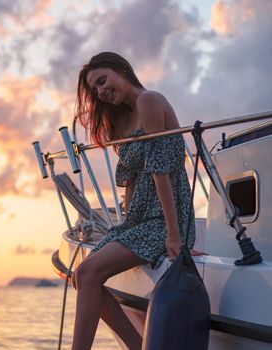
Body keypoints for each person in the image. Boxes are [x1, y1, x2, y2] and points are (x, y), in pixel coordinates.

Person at [71, 52, 198, 350]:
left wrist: (175, 234)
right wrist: (126, 226)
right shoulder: (120, 121)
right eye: (95, 89)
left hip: (165, 217)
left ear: (122, 70)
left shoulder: (149, 101)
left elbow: (160, 169)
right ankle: (138, 345)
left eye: (102, 80)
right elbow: (129, 180)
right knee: (81, 276)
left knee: (88, 273)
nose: (100, 91)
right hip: (140, 219)